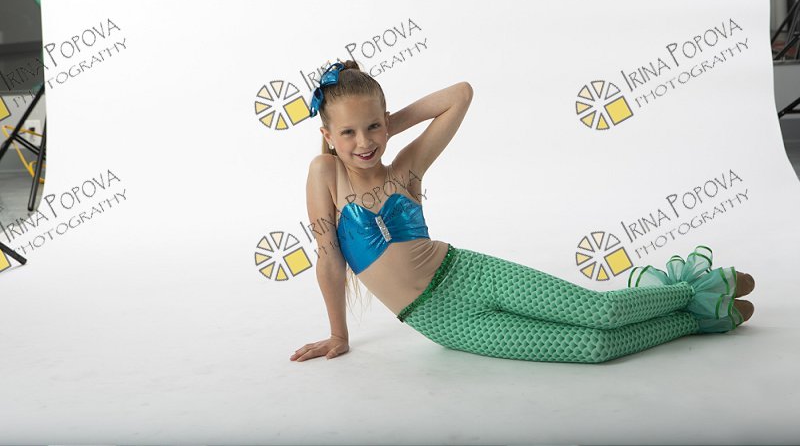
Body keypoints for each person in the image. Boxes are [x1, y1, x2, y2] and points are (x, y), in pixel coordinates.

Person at [290, 60, 755, 364]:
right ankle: (696, 317)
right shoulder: (325, 174)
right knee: (594, 346)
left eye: (373, 127)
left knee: (602, 309)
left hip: (468, 273)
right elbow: (328, 258)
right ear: (328, 135)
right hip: (440, 319)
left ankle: (690, 290)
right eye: (348, 132)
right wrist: (339, 335)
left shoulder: (406, 169)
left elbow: (460, 94)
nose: (365, 142)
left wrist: (390, 124)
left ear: (386, 122)